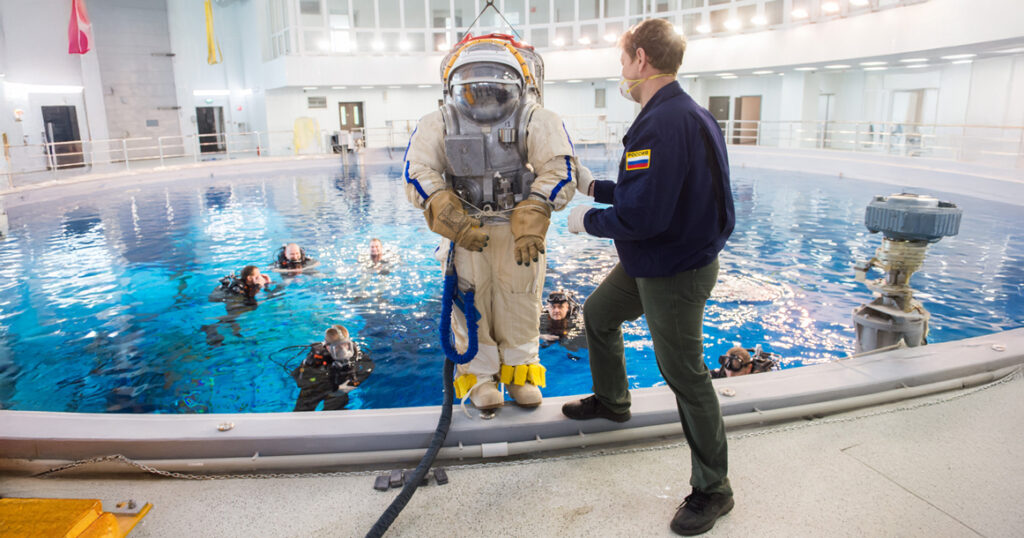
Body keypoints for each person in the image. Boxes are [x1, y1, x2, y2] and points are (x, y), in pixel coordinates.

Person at [559, 19, 736, 536]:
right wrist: (595, 187)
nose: (622, 71)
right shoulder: (684, 113)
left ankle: (714, 489)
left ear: (640, 59)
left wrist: (586, 221)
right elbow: (653, 192)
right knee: (598, 315)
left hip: (673, 269)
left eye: (623, 60)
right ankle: (613, 402)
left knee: (685, 374)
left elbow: (645, 216)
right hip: (653, 258)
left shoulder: (662, 123)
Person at [404, 33, 589, 410]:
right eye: (475, 89)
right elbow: (418, 171)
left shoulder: (537, 119)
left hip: (519, 233)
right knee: (469, 304)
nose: (485, 96)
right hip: (464, 230)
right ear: (452, 88)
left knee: (520, 301)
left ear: (519, 86)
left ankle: (520, 373)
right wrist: (448, 214)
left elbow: (559, 168)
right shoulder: (438, 123)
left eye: (494, 88)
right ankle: (480, 379)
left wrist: (534, 211)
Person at [291, 325, 374, 411]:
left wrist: (353, 384)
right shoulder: (317, 357)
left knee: (336, 412)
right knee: (302, 410)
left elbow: (369, 366)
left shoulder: (355, 351)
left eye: (345, 344)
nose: (343, 350)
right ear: (327, 346)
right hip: (317, 387)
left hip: (340, 388)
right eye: (337, 347)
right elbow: (302, 380)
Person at [202, 265, 275, 346]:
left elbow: (257, 293)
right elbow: (251, 296)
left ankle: (234, 332)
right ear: (249, 278)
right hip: (229, 297)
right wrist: (259, 285)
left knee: (237, 316)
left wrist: (267, 282)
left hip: (233, 297)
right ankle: (211, 327)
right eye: (257, 276)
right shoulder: (238, 287)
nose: (260, 278)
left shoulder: (248, 284)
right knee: (235, 314)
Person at [710, 346, 780, 378]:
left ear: (749, 368)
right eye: (728, 370)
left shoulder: (759, 376)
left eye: (736, 372)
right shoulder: (723, 371)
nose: (730, 375)